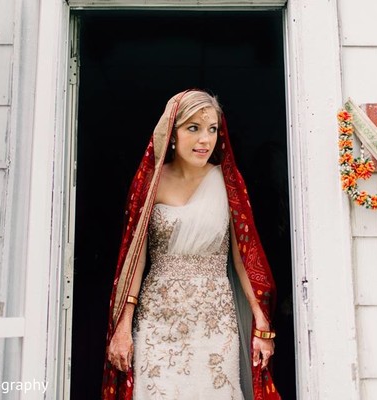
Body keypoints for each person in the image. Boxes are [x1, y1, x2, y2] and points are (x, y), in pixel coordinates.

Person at [102, 89, 281, 400]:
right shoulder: (150, 183)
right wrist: (123, 326)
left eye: (212, 129)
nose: (205, 140)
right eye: (194, 128)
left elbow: (244, 257)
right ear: (172, 133)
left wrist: (261, 323)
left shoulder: (227, 182)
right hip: (158, 316)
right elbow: (136, 258)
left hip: (214, 319)